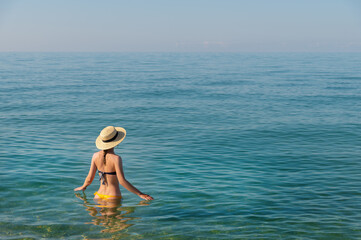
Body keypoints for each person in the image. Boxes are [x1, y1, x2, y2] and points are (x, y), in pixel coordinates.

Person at [74, 126, 153, 201]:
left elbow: (89, 178)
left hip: (98, 195)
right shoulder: (116, 159)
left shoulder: (95, 156)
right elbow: (122, 181)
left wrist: (83, 186)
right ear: (116, 142)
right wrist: (140, 194)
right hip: (113, 196)